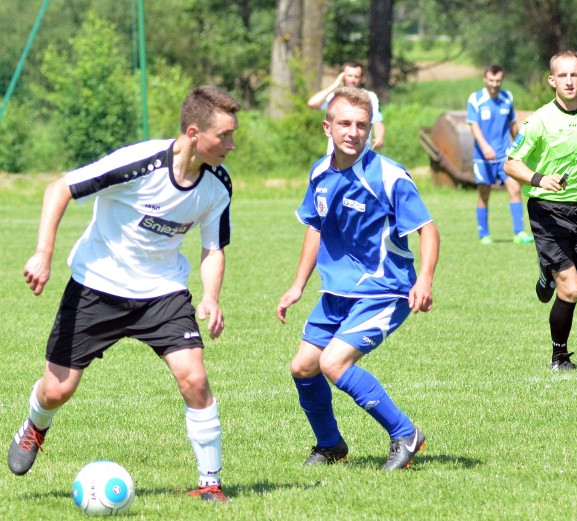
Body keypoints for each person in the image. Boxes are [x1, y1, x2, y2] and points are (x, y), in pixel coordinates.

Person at [7, 86, 241, 503]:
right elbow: (59, 189)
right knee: (57, 390)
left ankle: (210, 483)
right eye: (223, 135)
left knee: (195, 379)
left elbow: (212, 248)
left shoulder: (218, 186)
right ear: (193, 132)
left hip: (162, 293)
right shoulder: (139, 163)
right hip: (97, 285)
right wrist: (43, 254)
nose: (231, 144)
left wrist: (211, 296)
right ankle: (34, 426)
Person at [277, 87, 440, 470]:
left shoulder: (388, 176)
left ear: (370, 130)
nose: (353, 132)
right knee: (303, 367)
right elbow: (314, 227)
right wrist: (298, 285)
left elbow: (428, 230)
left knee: (333, 363)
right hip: (336, 293)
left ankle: (406, 433)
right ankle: (331, 445)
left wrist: (425, 280)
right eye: (345, 123)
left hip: (385, 291)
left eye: (361, 125)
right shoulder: (320, 172)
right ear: (327, 127)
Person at [504, 50, 577, 371]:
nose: (569, 81)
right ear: (552, 80)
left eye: (575, 75)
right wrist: (540, 178)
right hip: (547, 210)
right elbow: (511, 163)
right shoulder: (538, 120)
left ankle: (551, 273)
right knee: (570, 288)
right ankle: (560, 357)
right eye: (563, 75)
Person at [467, 64, 534, 245]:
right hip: (483, 157)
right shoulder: (476, 99)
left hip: (505, 156)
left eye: (498, 81)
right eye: (491, 80)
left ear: (502, 80)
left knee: (515, 189)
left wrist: (520, 148)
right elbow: (474, 127)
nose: (495, 84)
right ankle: (484, 234)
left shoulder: (507, 97)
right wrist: (485, 147)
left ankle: (519, 233)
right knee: (484, 195)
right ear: (485, 79)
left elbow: (513, 125)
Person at [307, 61, 386, 152]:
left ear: (361, 79)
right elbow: (312, 103)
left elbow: (377, 120)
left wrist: (379, 137)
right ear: (343, 76)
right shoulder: (334, 97)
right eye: (349, 76)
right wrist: (335, 84)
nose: (353, 80)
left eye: (356, 76)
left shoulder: (370, 97)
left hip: (362, 154)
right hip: (336, 156)